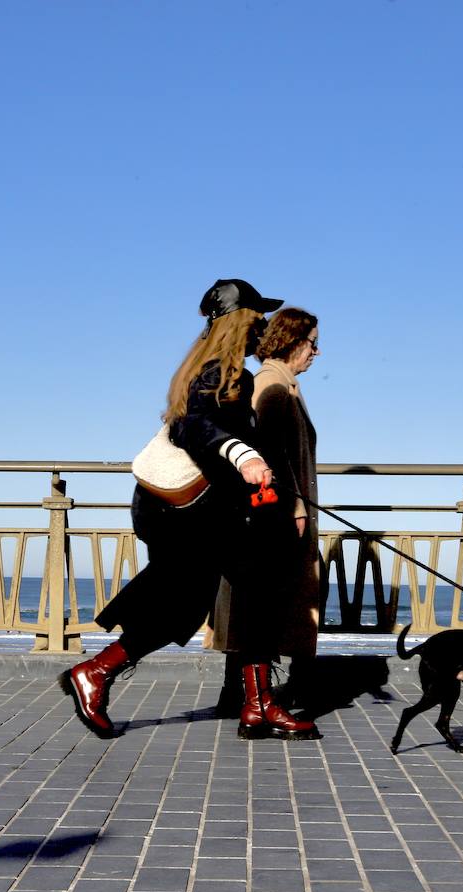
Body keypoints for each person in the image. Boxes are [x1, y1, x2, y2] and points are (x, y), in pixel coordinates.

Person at [59, 279, 321, 741]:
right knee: (184, 602)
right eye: (257, 317)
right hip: (188, 513)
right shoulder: (222, 371)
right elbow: (191, 426)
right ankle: (97, 672)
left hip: (191, 510)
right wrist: (244, 455)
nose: (262, 326)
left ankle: (257, 704)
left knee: (252, 587)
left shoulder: (206, 366)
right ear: (241, 320)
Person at [207, 307, 321, 716]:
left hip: (282, 508)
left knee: (263, 600)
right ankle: (266, 694)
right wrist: (293, 506)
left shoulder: (279, 382)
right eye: (312, 343)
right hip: (279, 512)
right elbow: (270, 450)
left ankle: (242, 692)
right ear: (292, 341)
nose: (317, 352)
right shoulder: (272, 384)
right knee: (271, 600)